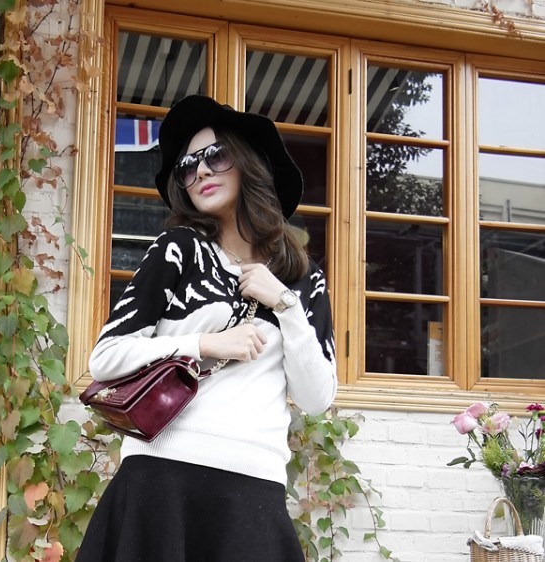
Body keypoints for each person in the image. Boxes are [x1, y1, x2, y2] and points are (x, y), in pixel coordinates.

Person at [77, 95, 338, 562]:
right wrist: (205, 343)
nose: (199, 171)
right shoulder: (178, 249)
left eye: (215, 156)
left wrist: (284, 303)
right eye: (187, 166)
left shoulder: (302, 280)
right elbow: (106, 357)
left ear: (249, 165)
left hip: (252, 488)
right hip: (161, 478)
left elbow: (316, 397)